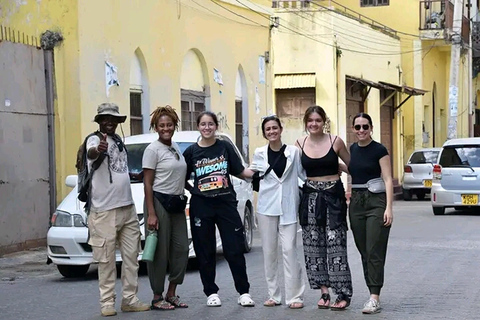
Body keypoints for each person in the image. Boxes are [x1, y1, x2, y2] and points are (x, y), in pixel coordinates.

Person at [183, 111, 255, 308]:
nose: (207, 128)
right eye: (203, 124)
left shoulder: (224, 147)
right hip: (201, 206)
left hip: (225, 205)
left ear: (216, 126)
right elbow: (180, 177)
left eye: (210, 124)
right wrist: (194, 191)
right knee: (205, 251)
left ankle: (244, 292)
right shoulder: (191, 152)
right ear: (198, 126)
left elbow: (240, 171)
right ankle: (211, 292)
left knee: (234, 249)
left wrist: (261, 172)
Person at [86, 103, 150, 317]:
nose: (109, 122)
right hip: (104, 211)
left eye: (113, 119)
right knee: (106, 260)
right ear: (99, 121)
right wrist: (98, 150)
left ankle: (130, 299)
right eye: (105, 118)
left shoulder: (119, 141)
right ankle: (107, 303)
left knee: (132, 258)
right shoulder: (95, 140)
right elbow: (92, 153)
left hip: (127, 208)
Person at [295, 105, 352, 311]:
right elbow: (294, 172)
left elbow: (353, 166)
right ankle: (324, 292)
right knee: (313, 246)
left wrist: (343, 171)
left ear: (324, 122)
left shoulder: (335, 141)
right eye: (310, 121)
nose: (314, 124)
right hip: (310, 198)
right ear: (306, 122)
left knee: (336, 243)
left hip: (333, 198)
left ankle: (343, 293)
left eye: (318, 120)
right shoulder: (299, 144)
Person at [249, 115, 306, 309]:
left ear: (281, 129)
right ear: (264, 133)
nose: (272, 132)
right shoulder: (259, 153)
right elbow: (252, 174)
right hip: (266, 207)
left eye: (275, 128)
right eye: (268, 129)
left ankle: (294, 296)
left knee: (290, 250)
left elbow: (302, 176)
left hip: (289, 206)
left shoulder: (293, 152)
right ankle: (273, 294)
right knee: (269, 251)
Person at [142, 106, 189, 311]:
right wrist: (151, 213)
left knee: (181, 249)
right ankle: (156, 296)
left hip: (176, 204)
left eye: (169, 124)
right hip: (159, 204)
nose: (166, 128)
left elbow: (178, 176)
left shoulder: (175, 147)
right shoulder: (153, 150)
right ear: (155, 127)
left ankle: (172, 293)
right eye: (161, 125)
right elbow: (147, 183)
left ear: (174, 125)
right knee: (160, 252)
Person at [348, 113, 393, 314]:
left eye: (365, 126)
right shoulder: (352, 150)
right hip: (356, 203)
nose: (361, 130)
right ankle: (371, 291)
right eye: (357, 127)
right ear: (353, 129)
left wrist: (389, 208)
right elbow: (353, 171)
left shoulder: (379, 150)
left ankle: (375, 296)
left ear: (371, 128)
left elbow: (388, 178)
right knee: (363, 249)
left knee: (374, 248)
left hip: (376, 202)